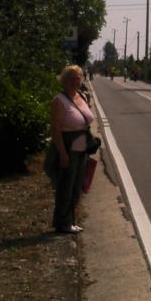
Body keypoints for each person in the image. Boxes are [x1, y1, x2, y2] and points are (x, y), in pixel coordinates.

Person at [50, 65, 95, 234]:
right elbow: (55, 130)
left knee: (77, 185)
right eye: (71, 78)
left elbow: (86, 119)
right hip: (68, 146)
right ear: (64, 80)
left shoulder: (81, 96)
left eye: (78, 78)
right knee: (65, 187)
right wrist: (62, 153)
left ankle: (70, 221)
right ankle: (61, 222)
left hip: (81, 146)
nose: (75, 81)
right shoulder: (59, 101)